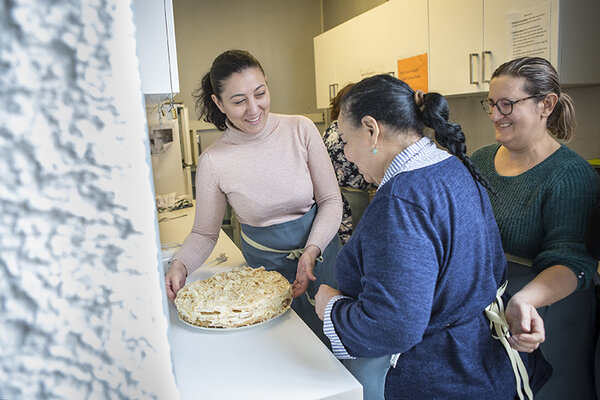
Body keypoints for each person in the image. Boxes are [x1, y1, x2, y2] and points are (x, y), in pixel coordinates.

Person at [314, 74, 551, 400]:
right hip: (481, 362)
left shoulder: (400, 199)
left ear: (371, 130)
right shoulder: (453, 166)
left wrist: (331, 307)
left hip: (437, 377)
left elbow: (392, 326)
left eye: (345, 139)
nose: (347, 154)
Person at [164, 49, 343, 343]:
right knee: (288, 349)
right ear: (218, 103)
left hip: (323, 257)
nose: (253, 109)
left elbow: (331, 201)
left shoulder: (301, 129)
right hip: (266, 276)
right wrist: (180, 264)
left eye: (259, 93)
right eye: (238, 101)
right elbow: (204, 234)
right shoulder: (214, 160)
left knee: (335, 348)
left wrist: (311, 250)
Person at [471, 56, 600, 400]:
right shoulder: (480, 161)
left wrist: (526, 300)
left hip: (543, 318)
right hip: (486, 311)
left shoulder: (570, 175)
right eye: (492, 104)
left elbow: (573, 262)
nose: (495, 116)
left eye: (507, 104)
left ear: (546, 105)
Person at [323, 83, 375, 244]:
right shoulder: (350, 132)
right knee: (352, 246)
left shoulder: (330, 130)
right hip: (352, 200)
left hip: (333, 198)